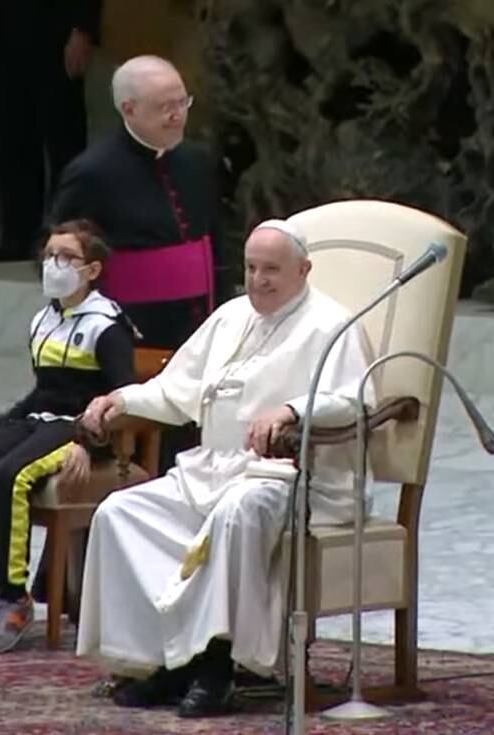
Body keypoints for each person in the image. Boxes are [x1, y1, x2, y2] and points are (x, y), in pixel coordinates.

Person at [74, 219, 373, 718]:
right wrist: (118, 400)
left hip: (290, 478)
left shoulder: (331, 325)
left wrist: (293, 411)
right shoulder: (231, 317)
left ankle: (217, 668)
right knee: (120, 512)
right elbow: (175, 390)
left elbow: (356, 400)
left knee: (235, 514)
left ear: (304, 270)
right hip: (209, 471)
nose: (258, 280)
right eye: (251, 268)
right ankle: (163, 662)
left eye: (272, 270)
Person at [0, 220, 135, 654]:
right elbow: (44, 390)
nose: (55, 264)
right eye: (50, 255)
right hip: (39, 417)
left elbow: (124, 397)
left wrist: (88, 444)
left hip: (76, 427)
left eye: (66, 257)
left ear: (91, 270)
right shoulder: (44, 319)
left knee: (9, 475)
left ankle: (17, 599)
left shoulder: (106, 325)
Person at [49, 54, 224, 351]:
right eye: (164, 107)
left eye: (183, 102)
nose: (178, 115)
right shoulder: (92, 172)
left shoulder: (198, 161)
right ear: (128, 109)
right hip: (130, 329)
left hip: (202, 324)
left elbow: (216, 240)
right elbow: (58, 253)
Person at [0, 0, 101, 259]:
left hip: (57, 34)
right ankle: (18, 244)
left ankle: (69, 242)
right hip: (3, 35)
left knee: (64, 145)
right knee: (14, 144)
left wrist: (83, 29)